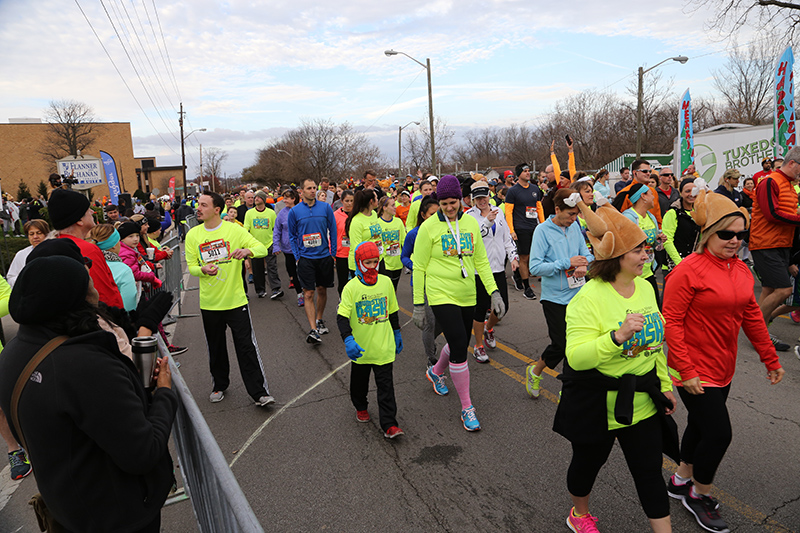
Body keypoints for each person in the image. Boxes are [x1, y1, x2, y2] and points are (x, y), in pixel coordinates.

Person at [0, 254, 177, 532]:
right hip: (115, 516)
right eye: (89, 283)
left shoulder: (13, 353)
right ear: (75, 299)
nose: (96, 290)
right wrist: (165, 393)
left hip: (69, 508)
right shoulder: (84, 364)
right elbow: (143, 452)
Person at [662, 189, 784, 533]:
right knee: (719, 434)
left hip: (723, 367)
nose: (734, 241)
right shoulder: (687, 271)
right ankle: (699, 495)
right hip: (693, 370)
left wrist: (769, 359)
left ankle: (680, 480)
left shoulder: (742, 270)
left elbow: (753, 318)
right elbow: (671, 321)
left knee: (700, 427)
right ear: (707, 234)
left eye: (740, 234)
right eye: (726, 234)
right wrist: (685, 371)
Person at [554, 201, 677, 533]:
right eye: (638, 251)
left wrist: (664, 383)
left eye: (646, 249)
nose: (645, 256)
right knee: (587, 465)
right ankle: (579, 514)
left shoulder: (648, 288)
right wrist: (617, 336)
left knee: (649, 471)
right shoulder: (588, 298)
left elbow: (656, 344)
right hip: (598, 404)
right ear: (616, 256)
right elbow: (576, 358)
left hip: (642, 401)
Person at [411, 175, 506, 431]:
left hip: (467, 292)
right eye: (444, 204)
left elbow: (481, 262)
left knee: (459, 342)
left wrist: (494, 292)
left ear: (460, 201)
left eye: (452, 203)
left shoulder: (471, 224)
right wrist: (419, 304)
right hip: (441, 293)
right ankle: (467, 407)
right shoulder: (429, 228)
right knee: (458, 345)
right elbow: (418, 267)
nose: (449, 208)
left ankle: (435, 372)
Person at [185, 192, 275, 406]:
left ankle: (259, 393)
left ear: (217, 209)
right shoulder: (193, 235)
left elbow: (261, 249)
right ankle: (219, 385)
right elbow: (191, 266)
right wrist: (203, 269)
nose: (198, 208)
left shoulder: (234, 230)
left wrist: (246, 251)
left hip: (236, 301)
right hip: (209, 303)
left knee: (246, 347)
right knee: (215, 348)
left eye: (203, 205)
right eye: (198, 204)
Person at [526, 189, 594, 399]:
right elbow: (535, 268)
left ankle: (569, 386)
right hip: (554, 298)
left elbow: (587, 254)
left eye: (576, 214)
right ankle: (535, 371)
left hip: (578, 294)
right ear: (557, 209)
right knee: (561, 345)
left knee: (579, 343)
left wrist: (584, 264)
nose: (574, 219)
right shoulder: (542, 231)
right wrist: (567, 263)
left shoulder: (575, 227)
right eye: (570, 214)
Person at [337, 242, 404, 439]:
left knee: (386, 387)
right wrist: (348, 339)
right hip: (361, 349)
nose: (372, 266)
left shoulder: (385, 282)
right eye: (367, 262)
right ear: (358, 263)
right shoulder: (351, 288)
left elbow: (392, 311)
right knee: (359, 384)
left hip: (384, 347)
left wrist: (397, 332)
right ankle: (360, 406)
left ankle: (390, 424)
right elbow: (341, 317)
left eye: (375, 261)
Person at [749, 146, 800, 351]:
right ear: (792, 163)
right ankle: (758, 333)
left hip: (781, 244)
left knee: (770, 290)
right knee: (784, 290)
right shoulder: (769, 181)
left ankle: (758, 331)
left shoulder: (789, 185)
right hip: (765, 244)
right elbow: (772, 214)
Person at [465, 180, 518, 363]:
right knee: (480, 308)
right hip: (480, 270)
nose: (482, 201)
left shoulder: (499, 211)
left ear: (489, 195)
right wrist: (486, 223)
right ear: (473, 199)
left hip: (497, 267)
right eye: (478, 198)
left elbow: (506, 237)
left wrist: (513, 257)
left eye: (484, 196)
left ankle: (489, 329)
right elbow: (471, 240)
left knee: (503, 307)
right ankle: (478, 346)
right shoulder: (469, 216)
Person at [49, 188, 124, 309]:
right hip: (95, 321)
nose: (92, 212)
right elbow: (104, 295)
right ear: (79, 220)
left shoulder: (50, 246)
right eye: (87, 209)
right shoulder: (86, 249)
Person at [288, 178, 338, 345]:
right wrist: (297, 255)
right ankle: (313, 330)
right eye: (309, 188)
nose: (312, 190)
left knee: (322, 290)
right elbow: (293, 236)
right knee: (308, 293)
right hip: (305, 258)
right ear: (301, 191)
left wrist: (333, 253)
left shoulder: (325, 208)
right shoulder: (294, 212)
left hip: (324, 256)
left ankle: (319, 319)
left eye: (314, 188)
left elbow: (333, 229)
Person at [402, 196, 442, 368]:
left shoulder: (444, 231)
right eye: (432, 214)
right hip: (421, 284)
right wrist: (416, 266)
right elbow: (403, 256)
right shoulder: (414, 234)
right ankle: (431, 359)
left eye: (438, 213)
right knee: (429, 322)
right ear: (424, 215)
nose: (436, 217)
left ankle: (430, 340)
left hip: (441, 282)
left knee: (442, 321)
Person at [615, 183, 665, 306]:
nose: (654, 197)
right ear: (643, 196)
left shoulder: (651, 217)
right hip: (632, 275)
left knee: (654, 308)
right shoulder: (629, 218)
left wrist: (659, 239)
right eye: (651, 194)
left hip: (648, 271)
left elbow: (652, 243)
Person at [504, 162, 543, 300]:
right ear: (519, 173)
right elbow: (508, 212)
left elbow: (539, 208)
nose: (528, 173)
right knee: (524, 258)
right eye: (525, 171)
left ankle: (518, 275)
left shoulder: (535, 188)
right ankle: (527, 288)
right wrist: (511, 230)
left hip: (534, 227)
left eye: (528, 170)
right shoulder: (513, 191)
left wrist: (543, 225)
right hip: (521, 228)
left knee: (535, 256)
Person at [90, 224, 137, 312]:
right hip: (114, 320)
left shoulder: (86, 264)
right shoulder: (123, 270)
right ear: (114, 245)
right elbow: (129, 306)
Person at [245, 190, 282, 300]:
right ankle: (260, 290)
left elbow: (275, 229)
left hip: (269, 243)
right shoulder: (249, 213)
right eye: (255, 197)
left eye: (259, 197)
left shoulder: (270, 213)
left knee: (272, 267)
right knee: (257, 270)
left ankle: (276, 288)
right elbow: (246, 229)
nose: (256, 199)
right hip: (255, 245)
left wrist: (276, 244)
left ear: (264, 200)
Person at [273, 189, 304, 307]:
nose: (284, 200)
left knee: (303, 271)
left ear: (294, 199)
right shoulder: (282, 213)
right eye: (283, 198)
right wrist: (276, 245)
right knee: (292, 273)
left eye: (286, 198)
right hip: (288, 249)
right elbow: (277, 230)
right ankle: (299, 293)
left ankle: (306, 291)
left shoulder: (302, 210)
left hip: (303, 248)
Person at [661, 178, 700, 271]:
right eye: (687, 191)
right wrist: (680, 263)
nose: (691, 194)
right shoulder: (673, 213)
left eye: (694, 191)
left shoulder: (699, 213)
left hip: (694, 264)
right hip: (674, 265)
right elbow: (667, 240)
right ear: (680, 192)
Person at [616, 160, 663, 226]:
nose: (648, 174)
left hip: (653, 233)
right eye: (645, 171)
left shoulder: (653, 192)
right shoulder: (625, 193)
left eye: (650, 171)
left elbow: (657, 216)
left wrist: (659, 231)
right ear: (635, 173)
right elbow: (619, 219)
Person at [347, 189, 381, 274]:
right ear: (371, 201)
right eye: (376, 198)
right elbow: (356, 247)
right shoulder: (356, 221)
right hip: (362, 264)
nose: (378, 200)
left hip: (375, 260)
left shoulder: (374, 214)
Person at [7, 219, 49, 286]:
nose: (35, 237)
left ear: (46, 234)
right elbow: (11, 277)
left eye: (39, 233)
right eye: (31, 234)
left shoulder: (54, 251)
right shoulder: (21, 254)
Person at [376, 196, 405, 289]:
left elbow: (403, 241)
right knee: (385, 289)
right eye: (392, 205)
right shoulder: (377, 223)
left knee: (394, 289)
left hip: (397, 262)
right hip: (384, 263)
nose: (395, 207)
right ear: (384, 208)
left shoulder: (398, 222)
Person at [334, 190, 355, 297]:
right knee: (342, 281)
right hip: (341, 253)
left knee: (355, 282)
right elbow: (332, 234)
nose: (349, 203)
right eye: (347, 201)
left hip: (355, 253)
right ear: (342, 201)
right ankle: (342, 301)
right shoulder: (336, 215)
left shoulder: (357, 214)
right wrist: (332, 250)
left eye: (352, 201)